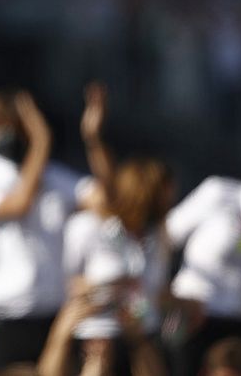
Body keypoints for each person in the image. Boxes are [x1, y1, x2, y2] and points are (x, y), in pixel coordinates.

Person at [0, 88, 96, 374]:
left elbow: (106, 201)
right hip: (3, 316)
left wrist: (94, 140)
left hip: (52, 313)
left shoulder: (54, 176)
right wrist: (41, 140)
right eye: (4, 127)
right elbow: (18, 204)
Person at [63, 84, 173, 376]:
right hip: (97, 338)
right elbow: (69, 283)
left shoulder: (155, 234)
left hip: (141, 338)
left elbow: (157, 291)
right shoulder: (90, 226)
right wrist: (93, 137)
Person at [165, 171, 241, 376]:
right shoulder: (218, 193)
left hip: (240, 327)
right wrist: (167, 297)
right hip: (192, 317)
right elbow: (165, 238)